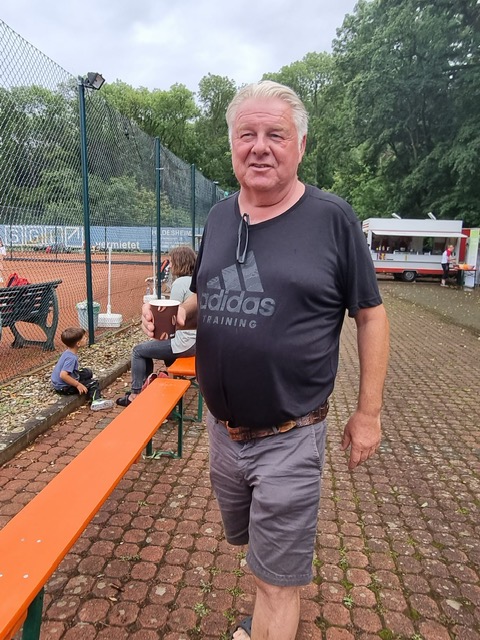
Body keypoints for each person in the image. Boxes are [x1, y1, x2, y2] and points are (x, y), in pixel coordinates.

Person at [142, 80, 390, 640]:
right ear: (232, 145)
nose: (259, 147)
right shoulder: (219, 217)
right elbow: (207, 297)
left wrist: (368, 413)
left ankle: (270, 619)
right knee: (256, 550)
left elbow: (371, 315)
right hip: (222, 433)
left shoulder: (332, 219)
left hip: (290, 434)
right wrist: (177, 316)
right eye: (246, 134)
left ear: (300, 144)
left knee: (278, 581)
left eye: (275, 134)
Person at [116, 245, 197, 406]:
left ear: (179, 262)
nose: (170, 266)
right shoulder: (195, 282)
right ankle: (153, 383)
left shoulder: (180, 282)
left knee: (138, 351)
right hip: (196, 343)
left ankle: (135, 395)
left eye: (172, 262)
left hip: (184, 344)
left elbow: (172, 315)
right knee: (153, 348)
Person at [51, 327, 114, 411]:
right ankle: (96, 401)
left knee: (88, 372)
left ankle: (80, 382)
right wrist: (78, 385)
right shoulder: (71, 358)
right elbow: (63, 375)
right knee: (93, 383)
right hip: (64, 387)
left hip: (60, 382)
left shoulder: (68, 352)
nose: (86, 338)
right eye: (84, 338)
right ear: (78, 344)